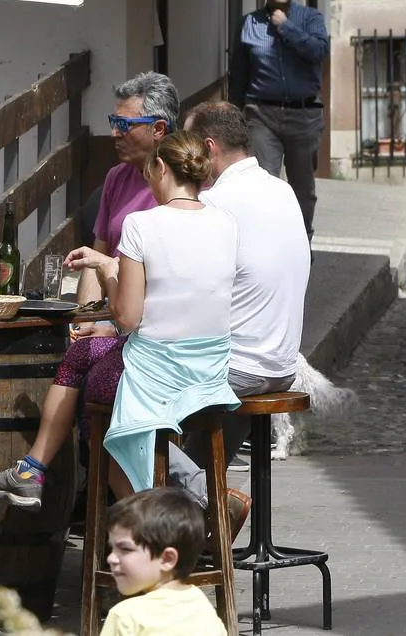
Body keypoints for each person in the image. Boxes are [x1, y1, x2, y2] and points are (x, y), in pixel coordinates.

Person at [0, 132, 240, 525]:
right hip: (210, 373)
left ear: (162, 168)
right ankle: (38, 471)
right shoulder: (225, 222)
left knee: (88, 376)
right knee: (92, 360)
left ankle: (162, 534)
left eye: (150, 173)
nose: (147, 183)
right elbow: (182, 301)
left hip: (157, 375)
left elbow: (127, 317)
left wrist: (106, 271)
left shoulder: (141, 225)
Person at [168, 101, 308, 512]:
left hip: (240, 368)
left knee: (113, 388)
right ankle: (197, 508)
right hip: (280, 364)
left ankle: (192, 498)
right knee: (212, 397)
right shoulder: (282, 190)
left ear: (209, 148)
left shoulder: (216, 203)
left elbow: (177, 290)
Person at [228, 0, 331, 241]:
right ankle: (268, 244)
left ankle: (301, 241)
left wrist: (286, 27)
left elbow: (318, 51)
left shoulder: (310, 18)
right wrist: (234, 115)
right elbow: (239, 72)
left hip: (304, 115)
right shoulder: (249, 23)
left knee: (302, 188)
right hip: (261, 114)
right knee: (264, 184)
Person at [98, 487, 227, 636]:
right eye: (112, 548)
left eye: (125, 549)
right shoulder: (204, 608)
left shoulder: (125, 617)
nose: (111, 558)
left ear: (167, 559)